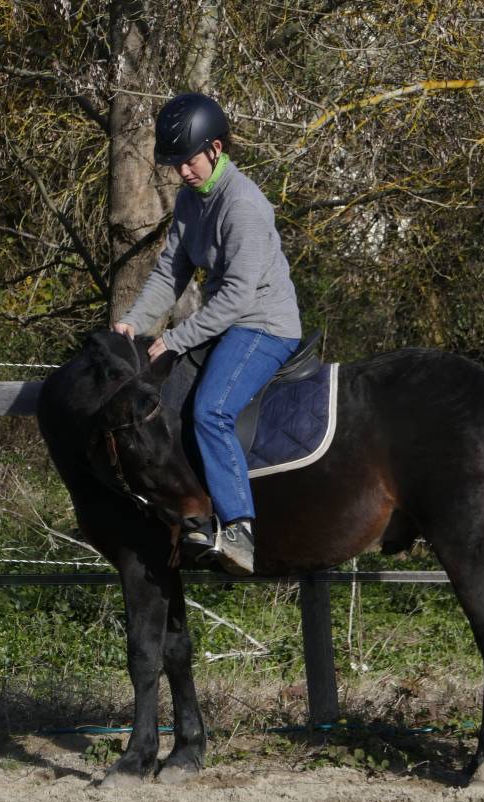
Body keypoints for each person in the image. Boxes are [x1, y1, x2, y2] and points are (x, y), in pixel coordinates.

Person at [112, 93, 302, 576]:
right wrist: (133, 320)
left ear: (216, 148)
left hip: (262, 325)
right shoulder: (191, 202)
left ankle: (238, 529)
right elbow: (169, 275)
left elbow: (238, 297)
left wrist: (176, 339)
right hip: (227, 321)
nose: (182, 172)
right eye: (175, 163)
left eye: (189, 161)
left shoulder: (243, 206)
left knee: (212, 409)